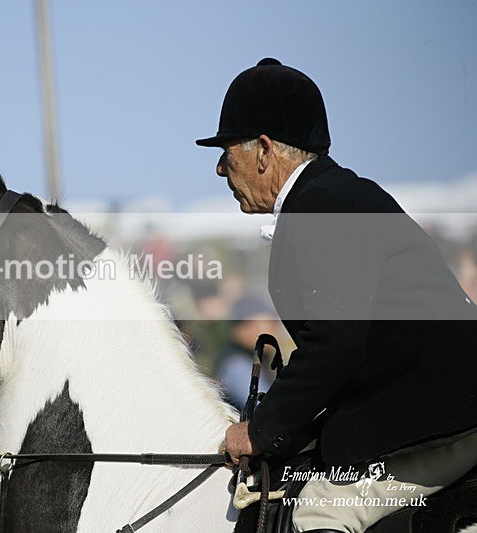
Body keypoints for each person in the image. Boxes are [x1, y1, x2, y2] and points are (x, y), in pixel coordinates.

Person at [198, 58, 477, 532]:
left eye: (228, 151)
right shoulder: (331, 197)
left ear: (264, 150)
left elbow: (336, 343)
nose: (221, 167)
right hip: (427, 405)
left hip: (444, 417)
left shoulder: (323, 207)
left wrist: (262, 432)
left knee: (321, 510)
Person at [216, 295, 280, 411]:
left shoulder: (253, 359)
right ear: (246, 326)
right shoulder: (237, 365)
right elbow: (269, 409)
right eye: (270, 324)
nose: (275, 332)